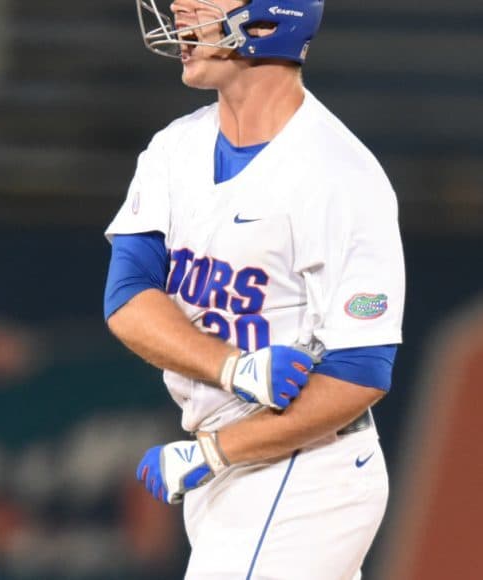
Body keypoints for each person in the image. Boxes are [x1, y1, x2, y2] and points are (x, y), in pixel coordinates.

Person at [102, 0, 405, 578]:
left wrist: (217, 451)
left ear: (269, 20)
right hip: (230, 469)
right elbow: (127, 298)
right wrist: (234, 369)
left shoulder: (341, 176)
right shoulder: (174, 149)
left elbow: (360, 373)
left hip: (307, 471)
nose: (179, 9)